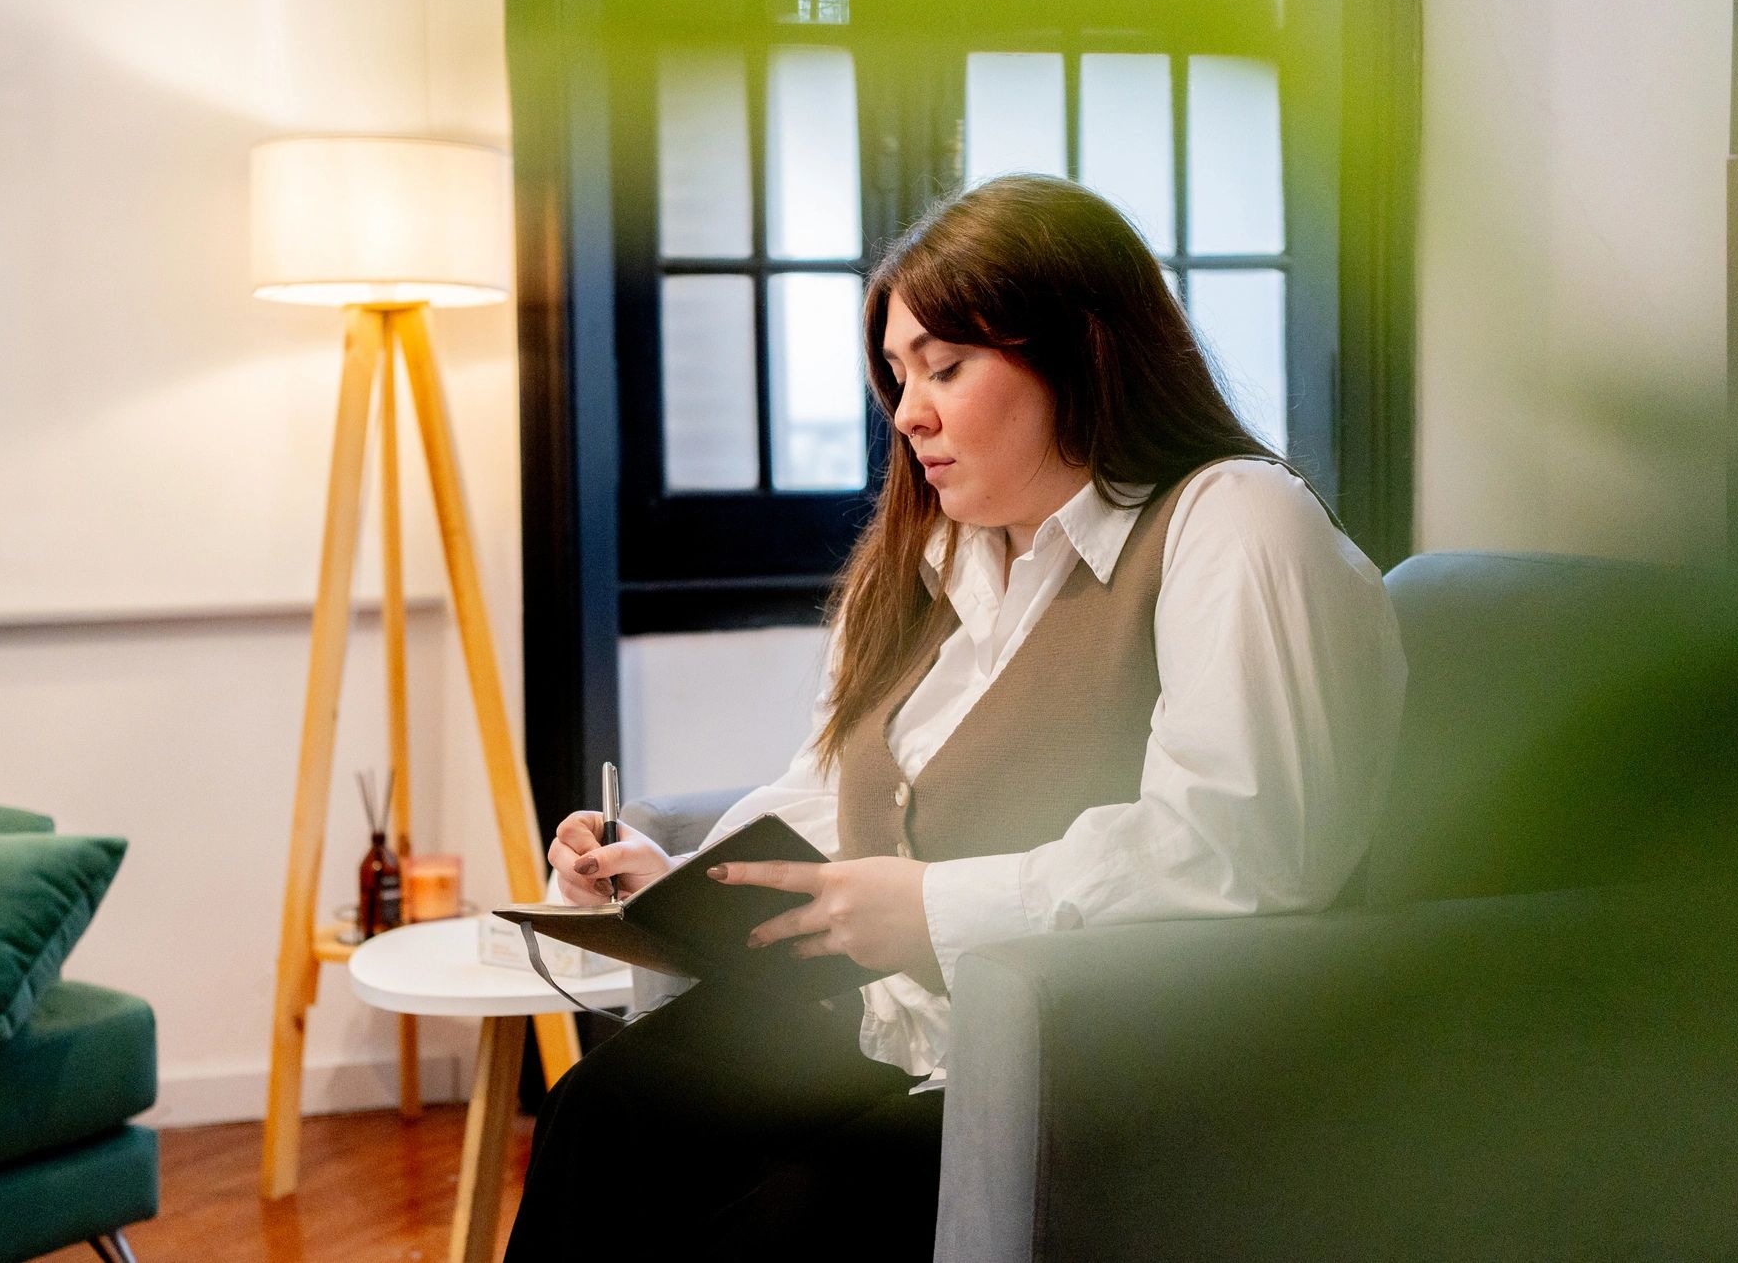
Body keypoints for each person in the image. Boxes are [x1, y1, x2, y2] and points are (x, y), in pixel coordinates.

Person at [503, 175, 1407, 1261]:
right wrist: (688, 876)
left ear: (1082, 346)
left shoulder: (1237, 524)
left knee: (780, 1220)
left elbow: (1247, 850)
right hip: (888, 1026)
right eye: (897, 373)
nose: (908, 410)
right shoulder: (929, 559)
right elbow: (835, 794)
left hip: (1086, 1063)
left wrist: (935, 908)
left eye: (946, 365)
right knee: (603, 1113)